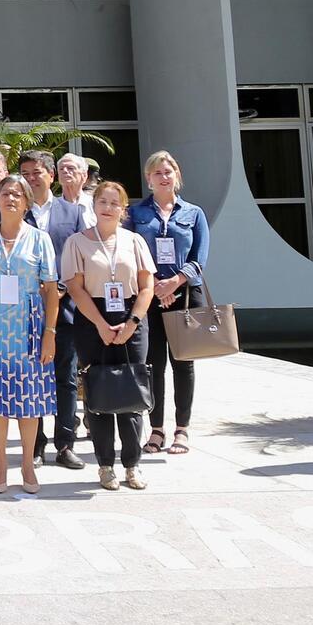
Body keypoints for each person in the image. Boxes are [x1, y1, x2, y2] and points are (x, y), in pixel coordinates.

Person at [0, 174, 61, 494]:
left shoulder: (39, 239)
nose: (11, 198)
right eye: (6, 193)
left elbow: (51, 289)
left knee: (29, 402)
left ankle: (27, 464)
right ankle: (0, 463)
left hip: (29, 331)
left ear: (26, 203)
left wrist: (50, 332)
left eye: (18, 194)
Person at [60, 179, 155, 490]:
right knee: (99, 395)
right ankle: (105, 465)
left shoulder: (134, 242)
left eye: (115, 203)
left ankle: (132, 464)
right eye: (103, 202)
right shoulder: (77, 242)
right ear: (94, 205)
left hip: (131, 318)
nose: (108, 208)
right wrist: (100, 324)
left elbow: (146, 287)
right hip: (92, 321)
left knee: (130, 393)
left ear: (123, 209)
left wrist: (131, 323)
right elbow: (75, 287)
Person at [127, 150, 211, 457]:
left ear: (177, 175)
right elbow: (129, 252)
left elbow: (200, 257)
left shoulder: (193, 213)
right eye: (157, 173)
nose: (163, 177)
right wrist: (154, 286)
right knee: (153, 365)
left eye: (168, 171)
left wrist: (174, 282)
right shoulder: (136, 214)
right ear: (148, 179)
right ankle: (157, 429)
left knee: (183, 364)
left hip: (184, 294)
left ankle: (182, 429)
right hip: (149, 295)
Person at [39, 153, 94, 470]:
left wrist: (60, 286)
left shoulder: (72, 213)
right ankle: (35, 445)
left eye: (40, 172)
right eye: (27, 173)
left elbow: (80, 255)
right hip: (29, 309)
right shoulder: (19, 208)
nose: (34, 178)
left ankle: (64, 444)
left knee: (67, 379)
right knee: (32, 379)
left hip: (68, 308)